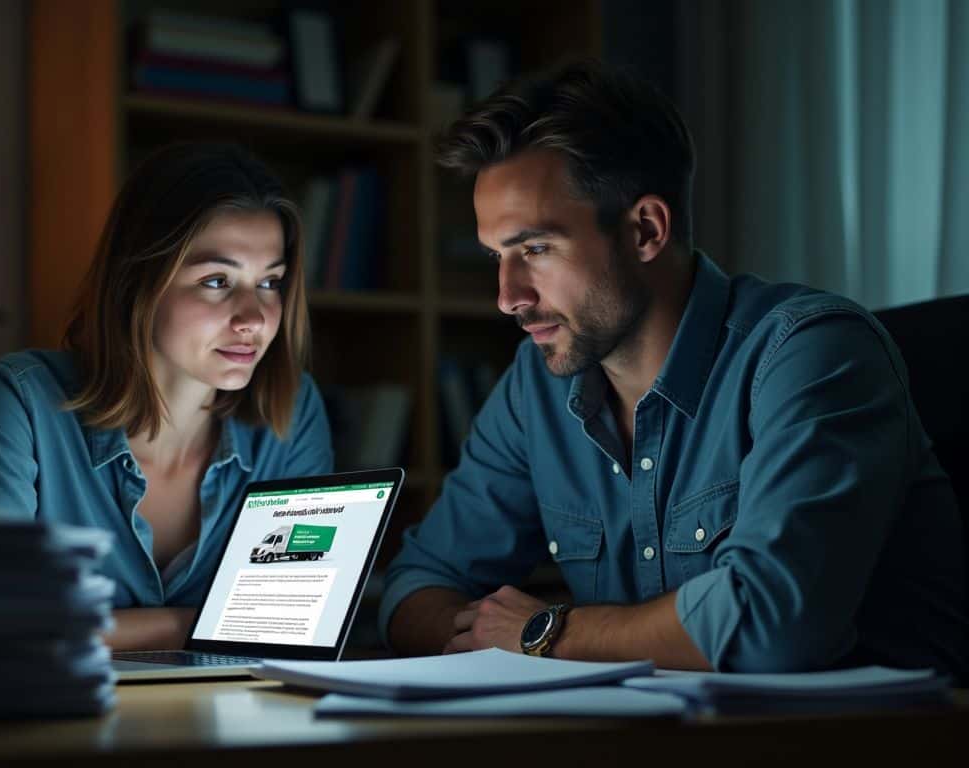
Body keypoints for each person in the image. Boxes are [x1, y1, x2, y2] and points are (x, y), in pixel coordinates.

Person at [381, 60, 968, 680]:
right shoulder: (537, 387)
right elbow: (417, 585)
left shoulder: (814, 354)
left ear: (646, 230)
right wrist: (493, 638)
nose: (507, 296)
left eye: (535, 249)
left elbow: (771, 623)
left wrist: (542, 634)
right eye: (497, 256)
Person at [0, 142, 333, 651]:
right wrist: (194, 626)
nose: (255, 318)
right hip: (60, 723)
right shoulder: (22, 400)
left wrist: (95, 627)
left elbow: (299, 619)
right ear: (138, 283)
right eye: (217, 281)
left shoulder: (293, 409)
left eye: (270, 282)